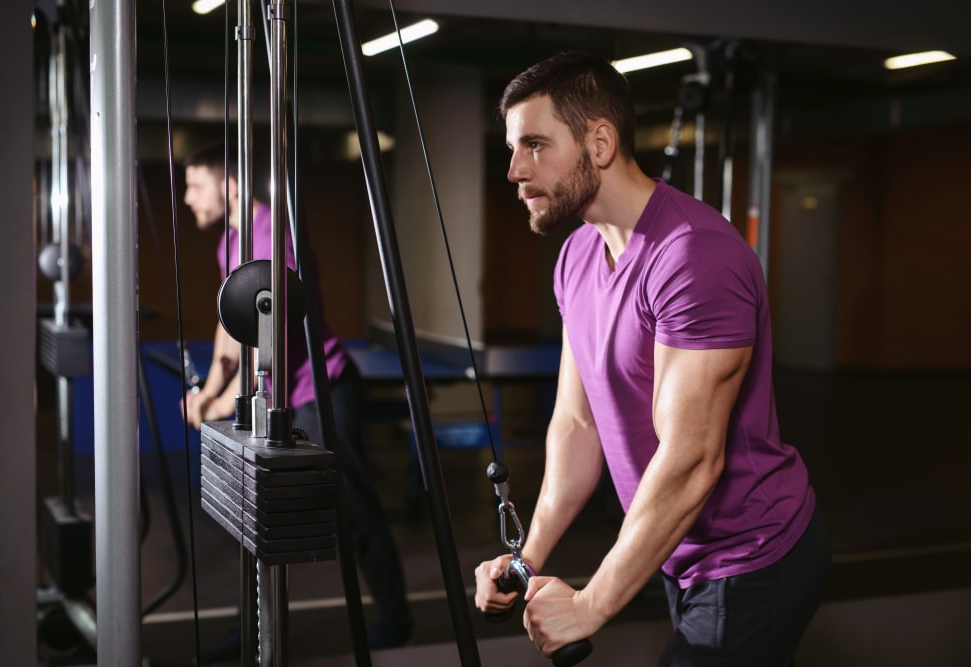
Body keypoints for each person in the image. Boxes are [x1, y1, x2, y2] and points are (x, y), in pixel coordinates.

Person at [474, 52, 830, 666]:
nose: (514, 169)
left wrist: (591, 605)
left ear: (601, 142)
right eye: (513, 147)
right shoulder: (577, 255)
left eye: (535, 144)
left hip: (752, 556)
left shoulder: (694, 257)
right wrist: (527, 558)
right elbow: (578, 423)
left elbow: (692, 459)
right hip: (673, 548)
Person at [182, 142, 414, 652]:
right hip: (275, 393)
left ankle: (397, 621)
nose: (186, 197)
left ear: (233, 184)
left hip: (319, 390)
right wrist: (210, 390)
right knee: (261, 514)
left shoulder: (271, 233)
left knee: (354, 512)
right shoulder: (231, 242)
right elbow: (233, 323)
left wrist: (224, 404)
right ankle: (255, 630)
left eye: (196, 185)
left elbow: (274, 328)